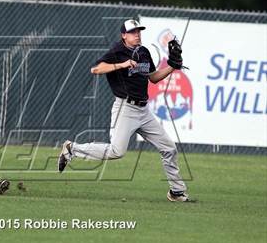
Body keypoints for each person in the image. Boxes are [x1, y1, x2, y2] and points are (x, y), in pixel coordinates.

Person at [58, 19, 191, 202]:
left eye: (139, 31)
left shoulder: (143, 52)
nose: (137, 34)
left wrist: (171, 67)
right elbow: (96, 69)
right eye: (133, 32)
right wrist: (121, 65)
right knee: (117, 151)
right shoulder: (116, 52)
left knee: (169, 148)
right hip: (125, 108)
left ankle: (176, 192)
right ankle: (72, 149)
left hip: (144, 111)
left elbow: (153, 78)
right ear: (124, 35)